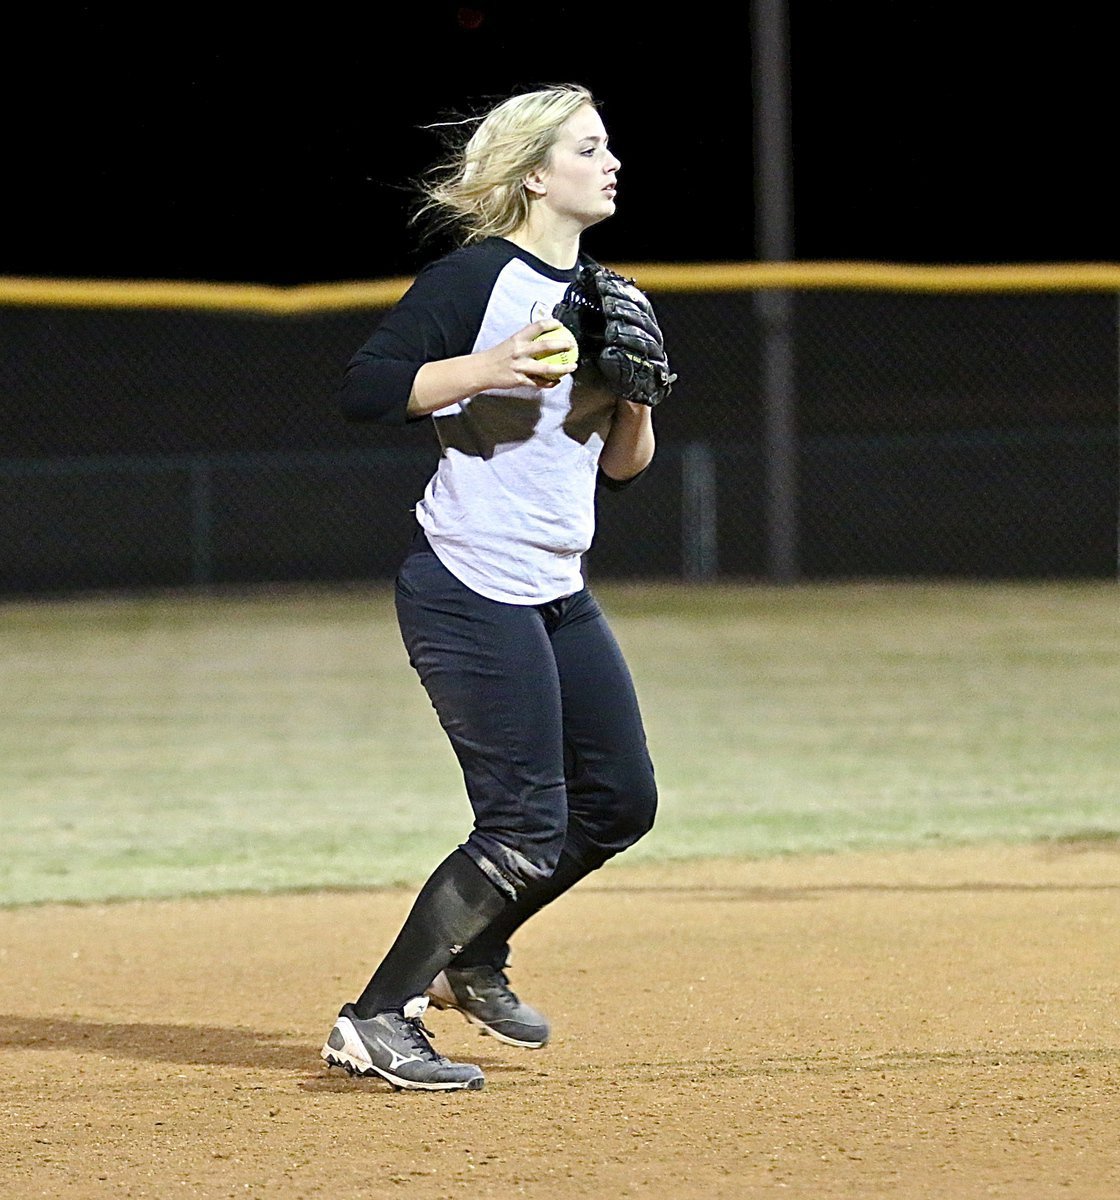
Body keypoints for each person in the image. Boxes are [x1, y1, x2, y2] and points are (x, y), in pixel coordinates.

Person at [320, 83, 669, 1092]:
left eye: (607, 145)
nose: (610, 162)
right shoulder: (476, 277)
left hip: (558, 586)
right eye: (587, 148)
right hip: (468, 581)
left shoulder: (608, 294)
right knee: (522, 823)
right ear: (534, 174)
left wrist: (638, 402)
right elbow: (366, 388)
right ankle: (374, 1019)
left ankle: (470, 957)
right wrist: (493, 362)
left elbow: (621, 468)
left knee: (619, 802)